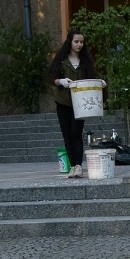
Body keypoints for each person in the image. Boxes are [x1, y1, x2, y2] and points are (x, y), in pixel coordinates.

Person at [48, 31, 99, 178]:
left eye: (81, 42)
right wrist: (61, 81)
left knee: (76, 133)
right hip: (63, 101)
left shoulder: (85, 61)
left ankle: (78, 165)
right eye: (76, 41)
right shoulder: (61, 60)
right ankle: (72, 166)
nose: (79, 45)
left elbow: (92, 77)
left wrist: (98, 83)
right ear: (70, 42)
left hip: (81, 103)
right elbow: (51, 77)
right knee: (67, 135)